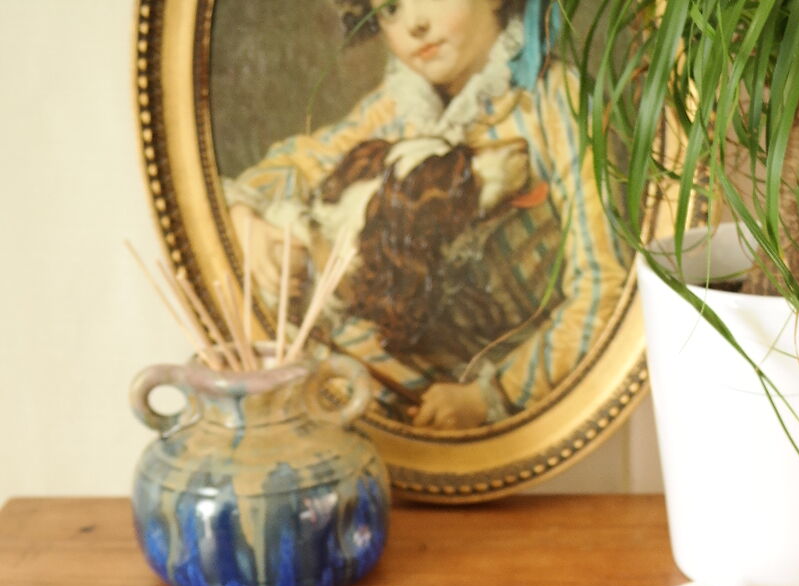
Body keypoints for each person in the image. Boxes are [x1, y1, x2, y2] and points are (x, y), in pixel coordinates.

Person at [224, 0, 629, 428]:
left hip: (527, 380)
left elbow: (604, 288)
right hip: (424, 367)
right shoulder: (398, 108)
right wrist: (243, 218)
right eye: (391, 9)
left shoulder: (557, 101)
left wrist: (492, 395)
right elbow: (298, 164)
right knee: (324, 362)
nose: (415, 24)